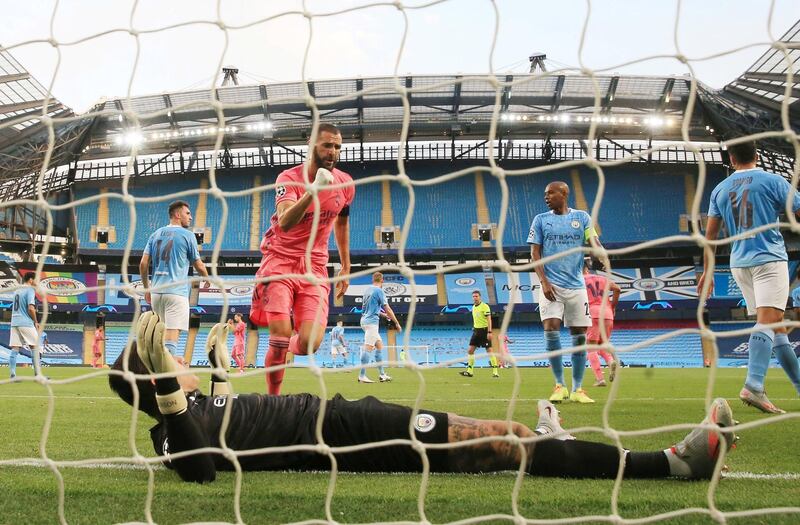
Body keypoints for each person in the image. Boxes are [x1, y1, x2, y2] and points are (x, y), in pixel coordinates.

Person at [107, 312, 738, 484]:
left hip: (348, 417)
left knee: (503, 436)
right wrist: (168, 384)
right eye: (168, 364)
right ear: (155, 386)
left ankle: (563, 446)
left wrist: (219, 366)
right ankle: (673, 465)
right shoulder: (171, 433)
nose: (180, 366)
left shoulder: (189, 411)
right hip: (350, 440)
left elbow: (216, 409)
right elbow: (199, 470)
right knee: (504, 443)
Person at [250, 123, 355, 394]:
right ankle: (273, 401)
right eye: (327, 145)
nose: (333, 152)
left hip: (315, 267)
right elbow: (284, 221)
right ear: (311, 145)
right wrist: (313, 191)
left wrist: (345, 264)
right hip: (280, 261)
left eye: (338, 147)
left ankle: (292, 339)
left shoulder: (345, 183)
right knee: (279, 335)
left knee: (309, 345)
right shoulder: (289, 178)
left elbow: (342, 223)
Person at [698, 140, 800, 414]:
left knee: (776, 327)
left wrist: (707, 272)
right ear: (756, 155)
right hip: (769, 259)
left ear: (731, 159)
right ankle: (753, 384)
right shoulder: (773, 180)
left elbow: (710, 237)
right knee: (768, 322)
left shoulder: (719, 189)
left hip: (739, 263)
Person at [529, 181, 603, 404]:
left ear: (564, 193)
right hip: (551, 285)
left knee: (578, 334)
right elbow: (535, 253)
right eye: (545, 193)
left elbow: (594, 240)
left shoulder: (582, 218)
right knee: (550, 327)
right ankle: (559, 385)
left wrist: (601, 254)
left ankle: (578, 389)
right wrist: (543, 282)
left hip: (576, 285)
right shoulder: (541, 220)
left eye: (550, 193)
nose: (546, 196)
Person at [139, 200, 209, 360]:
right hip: (176, 293)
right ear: (178, 215)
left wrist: (146, 288)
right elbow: (198, 264)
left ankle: (156, 373)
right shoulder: (188, 235)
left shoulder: (155, 234)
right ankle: (166, 378)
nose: (190, 218)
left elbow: (143, 264)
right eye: (187, 213)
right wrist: (207, 277)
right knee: (171, 337)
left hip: (156, 294)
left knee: (159, 336)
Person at [359, 272, 401, 383]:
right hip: (371, 323)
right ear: (382, 280)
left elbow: (369, 308)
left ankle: (382, 375)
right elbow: (388, 308)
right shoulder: (379, 291)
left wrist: (383, 315)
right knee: (368, 348)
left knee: (379, 346)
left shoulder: (368, 290)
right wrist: (396, 322)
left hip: (364, 320)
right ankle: (362, 376)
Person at [583, 263, 621, 387]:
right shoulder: (603, 279)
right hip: (608, 313)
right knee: (602, 345)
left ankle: (600, 379)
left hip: (593, 313)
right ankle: (610, 362)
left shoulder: (580, 280)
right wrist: (613, 306)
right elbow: (618, 289)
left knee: (591, 347)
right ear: (587, 268)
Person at [460, 290, 499, 378]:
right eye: (473, 296)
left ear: (480, 297)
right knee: (470, 351)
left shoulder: (485, 306)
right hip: (476, 331)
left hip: (484, 331)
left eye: (476, 296)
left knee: (489, 351)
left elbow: (489, 319)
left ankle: (495, 372)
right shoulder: (473, 307)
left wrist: (489, 332)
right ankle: (470, 371)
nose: (475, 298)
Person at [8, 273, 40, 379]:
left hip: (14, 322)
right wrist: (35, 321)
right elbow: (31, 308)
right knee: (35, 347)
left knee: (15, 348)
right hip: (25, 322)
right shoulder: (30, 290)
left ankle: (13, 374)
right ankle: (38, 375)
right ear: (31, 280)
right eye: (35, 280)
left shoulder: (17, 290)